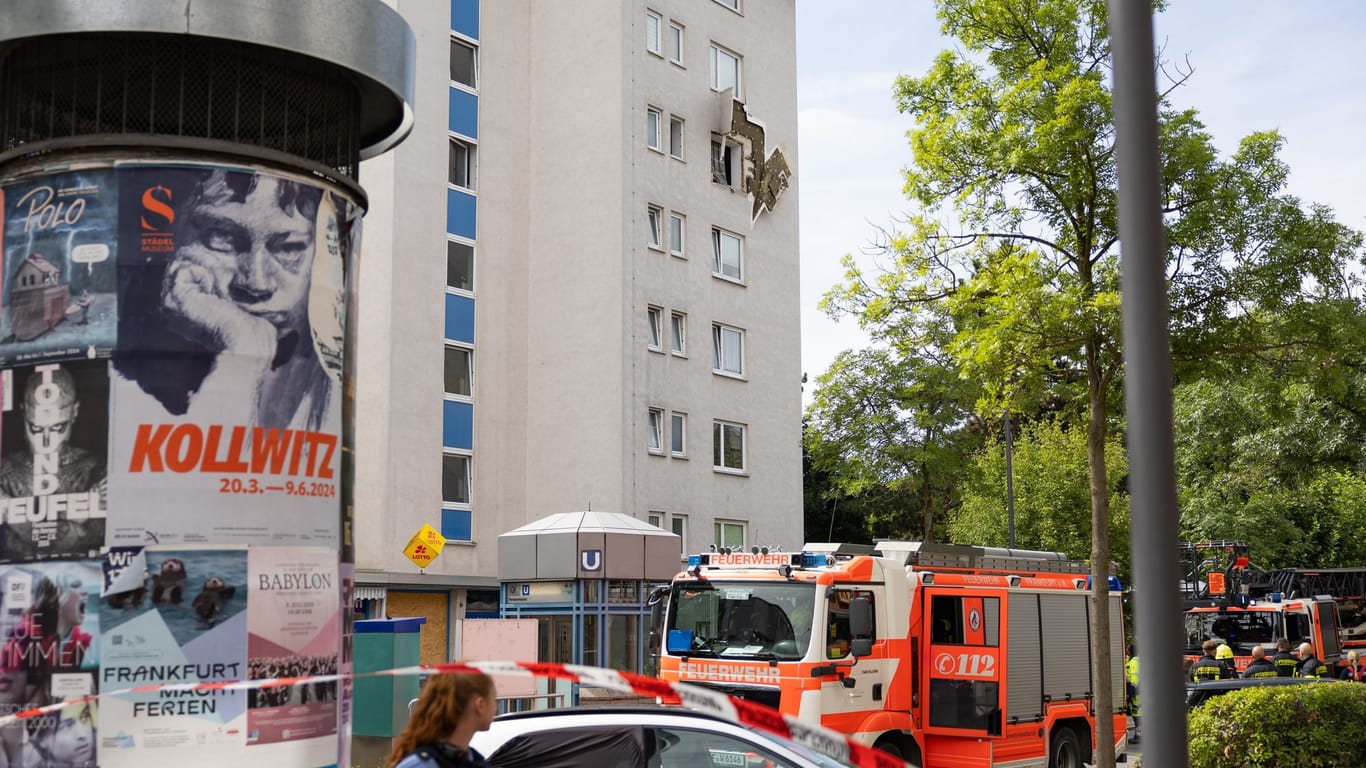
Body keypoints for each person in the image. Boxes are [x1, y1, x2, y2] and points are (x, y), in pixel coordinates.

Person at [118, 168, 338, 431]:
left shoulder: (334, 395)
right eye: (223, 237)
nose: (256, 283)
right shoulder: (126, 378)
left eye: (288, 248)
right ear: (171, 237)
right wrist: (240, 351)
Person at [0, 364, 105, 499]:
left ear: (74, 412)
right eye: (36, 428)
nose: (46, 441)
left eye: (57, 428)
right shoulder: (4, 471)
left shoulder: (96, 468)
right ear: (23, 413)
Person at [388, 672, 496, 768]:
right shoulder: (422, 764)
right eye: (493, 699)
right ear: (480, 705)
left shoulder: (472, 759)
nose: (496, 707)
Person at [1124, 644, 1140, 738]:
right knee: (1136, 713)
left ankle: (1139, 735)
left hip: (1136, 691)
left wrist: (1131, 692)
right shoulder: (1131, 660)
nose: (1126, 650)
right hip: (1135, 690)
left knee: (1138, 714)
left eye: (1127, 649)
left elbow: (1134, 678)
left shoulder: (1134, 661)